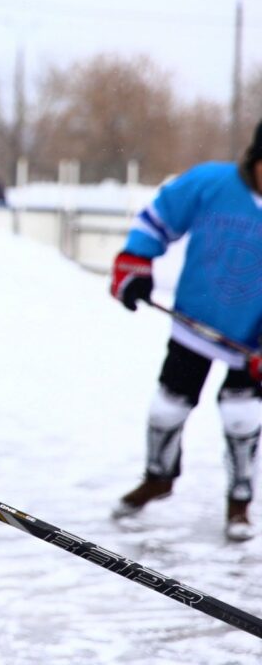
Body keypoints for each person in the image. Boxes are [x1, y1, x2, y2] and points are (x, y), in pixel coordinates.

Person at [109, 119, 262, 541]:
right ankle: (158, 476)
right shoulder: (211, 183)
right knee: (167, 408)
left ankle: (239, 501)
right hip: (194, 323)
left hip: (250, 340)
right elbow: (157, 221)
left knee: (241, 416)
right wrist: (136, 263)